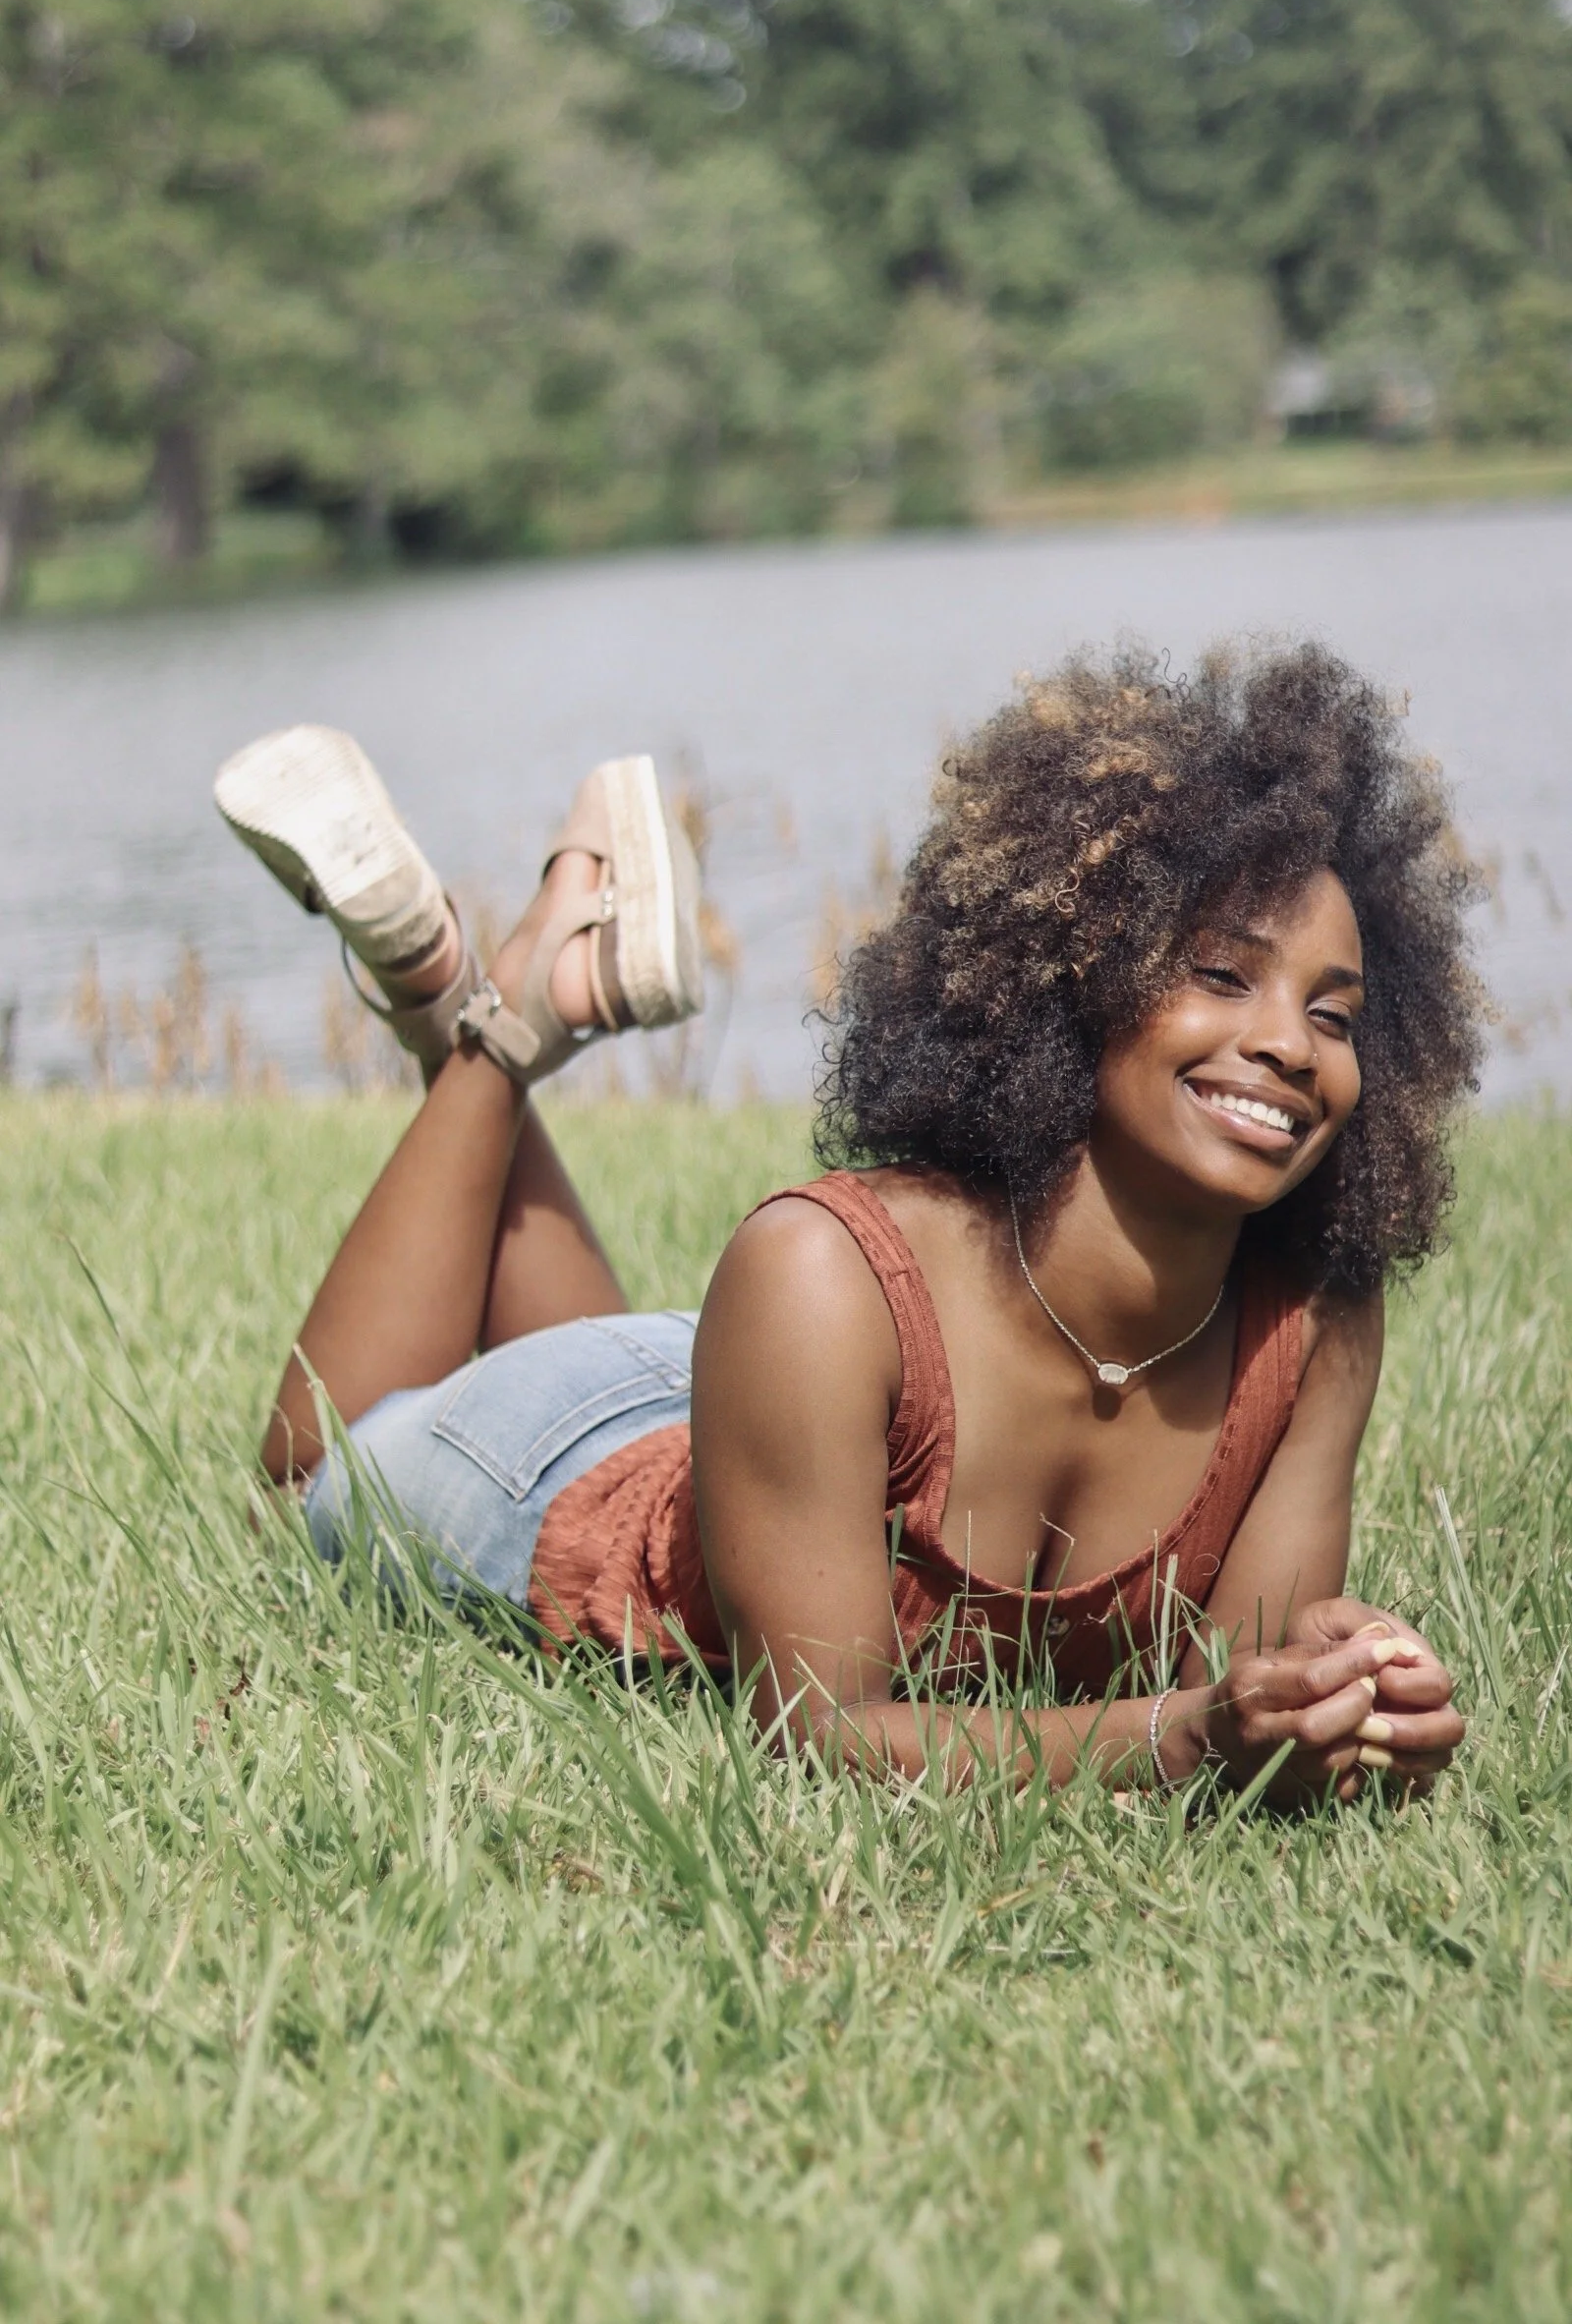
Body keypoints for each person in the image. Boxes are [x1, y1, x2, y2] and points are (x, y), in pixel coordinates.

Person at [216, 641, 1478, 1804]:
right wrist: (1184, 1739)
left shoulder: (1315, 1310)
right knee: (308, 1479)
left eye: (1335, 1015)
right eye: (1219, 974)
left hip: (773, 1417)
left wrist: (1337, 1701)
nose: (1284, 1044)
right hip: (565, 1455)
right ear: (1072, 971)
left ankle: (495, 992)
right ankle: (482, 1014)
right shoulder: (820, 1266)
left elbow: (1246, 1673)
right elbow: (819, 1729)